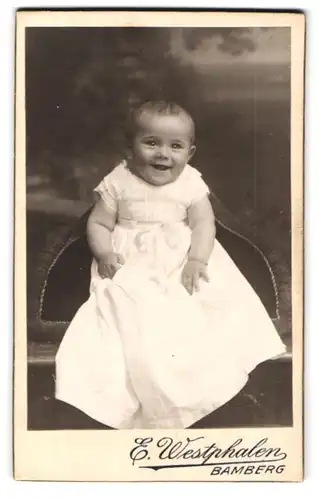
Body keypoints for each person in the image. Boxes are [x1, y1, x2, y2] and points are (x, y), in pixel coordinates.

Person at [55, 101, 286, 429]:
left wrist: (196, 259)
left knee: (202, 305)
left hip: (180, 256)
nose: (163, 153)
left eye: (175, 146)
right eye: (151, 143)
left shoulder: (190, 182)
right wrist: (105, 253)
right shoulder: (118, 180)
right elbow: (99, 223)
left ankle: (201, 381)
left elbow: (205, 225)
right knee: (127, 309)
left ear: (190, 153)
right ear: (130, 147)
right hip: (130, 260)